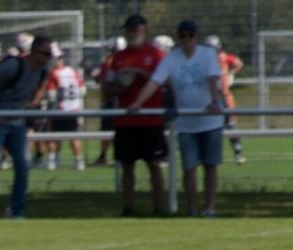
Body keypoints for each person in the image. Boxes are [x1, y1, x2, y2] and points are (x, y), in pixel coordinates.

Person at [128, 19, 225, 217]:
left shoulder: (207, 54)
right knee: (189, 168)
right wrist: (137, 102)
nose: (186, 39)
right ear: (178, 37)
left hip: (210, 121)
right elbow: (155, 81)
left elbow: (213, 78)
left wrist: (215, 101)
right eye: (182, 36)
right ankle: (191, 210)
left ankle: (209, 208)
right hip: (186, 124)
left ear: (196, 37)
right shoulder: (172, 58)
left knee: (210, 166)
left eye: (190, 35)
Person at [0, 33, 53, 219]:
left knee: (23, 166)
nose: (48, 58)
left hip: (17, 124)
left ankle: (17, 211)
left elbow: (44, 84)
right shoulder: (14, 65)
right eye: (46, 54)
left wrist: (34, 101)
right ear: (34, 52)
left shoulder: (42, 71)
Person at [103, 14, 167, 217]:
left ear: (145, 30)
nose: (132, 33)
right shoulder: (119, 58)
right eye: (129, 30)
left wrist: (140, 73)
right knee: (127, 165)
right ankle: (128, 207)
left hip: (150, 119)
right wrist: (121, 86)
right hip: (125, 120)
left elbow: (163, 82)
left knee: (154, 164)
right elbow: (107, 90)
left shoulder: (156, 55)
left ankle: (159, 207)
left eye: (136, 29)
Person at [43, 44, 86, 170]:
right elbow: (82, 90)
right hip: (73, 110)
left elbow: (51, 95)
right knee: (74, 137)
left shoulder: (54, 74)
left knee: (53, 136)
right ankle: (79, 161)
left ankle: (52, 160)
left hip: (59, 110)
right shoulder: (73, 72)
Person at [205, 34, 246, 165]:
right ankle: (211, 154)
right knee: (211, 127)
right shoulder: (204, 60)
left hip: (225, 96)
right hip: (209, 98)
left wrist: (230, 74)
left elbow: (238, 63)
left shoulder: (223, 57)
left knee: (231, 125)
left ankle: (238, 152)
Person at [90, 37, 127, 167]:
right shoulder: (126, 61)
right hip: (122, 100)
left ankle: (105, 157)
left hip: (111, 100)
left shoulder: (110, 62)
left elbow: (103, 81)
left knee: (108, 130)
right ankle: (114, 157)